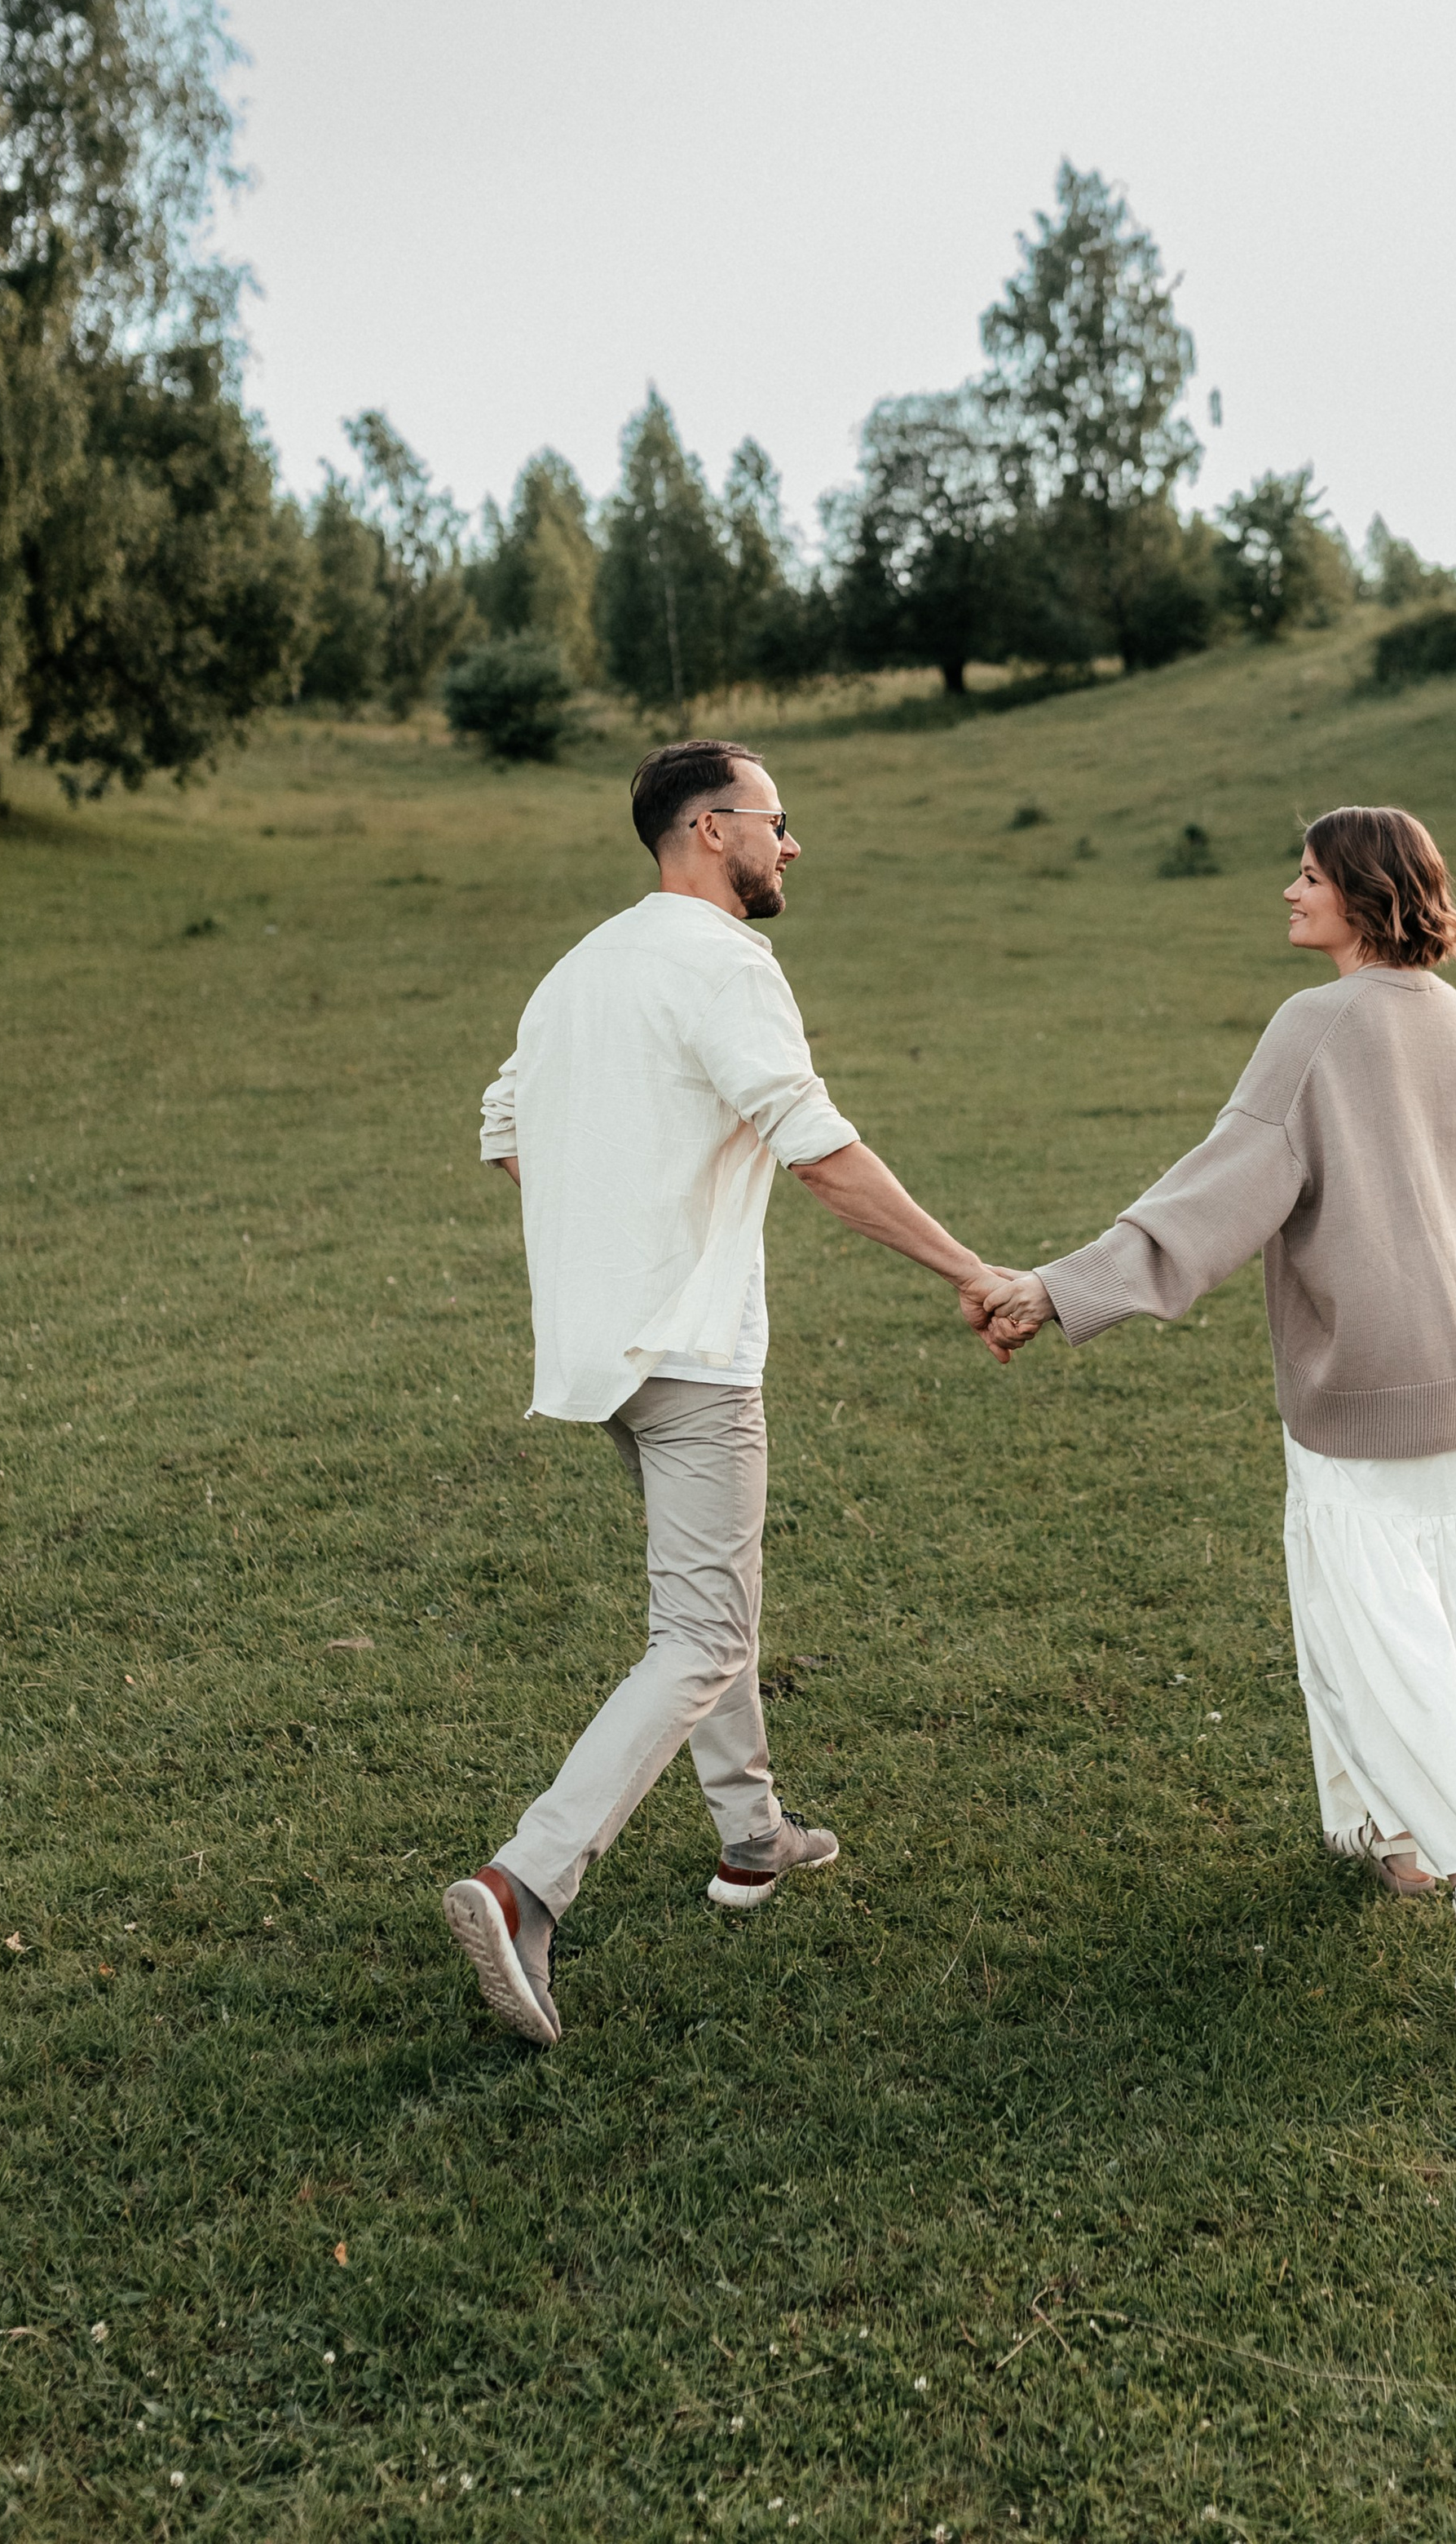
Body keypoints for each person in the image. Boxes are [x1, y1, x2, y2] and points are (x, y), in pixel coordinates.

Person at [443, 738, 1008, 2048]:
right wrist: (969, 1271)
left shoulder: (580, 968)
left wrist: (625, 1217)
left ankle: (753, 1836)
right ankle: (524, 1885)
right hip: (692, 1355)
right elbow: (820, 1153)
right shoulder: (727, 964)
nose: (790, 843)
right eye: (776, 819)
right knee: (700, 1633)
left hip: (600, 1354)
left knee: (712, 1595)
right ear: (711, 829)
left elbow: (506, 1130)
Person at [984, 805, 1456, 2037]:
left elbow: (1221, 1189)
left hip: (1367, 1378)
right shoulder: (1452, 1015)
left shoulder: (1318, 1023)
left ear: (1365, 893)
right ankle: (1384, 1829)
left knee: (1377, 1628)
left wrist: (1061, 1289)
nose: (1290, 894)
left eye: (1308, 877)